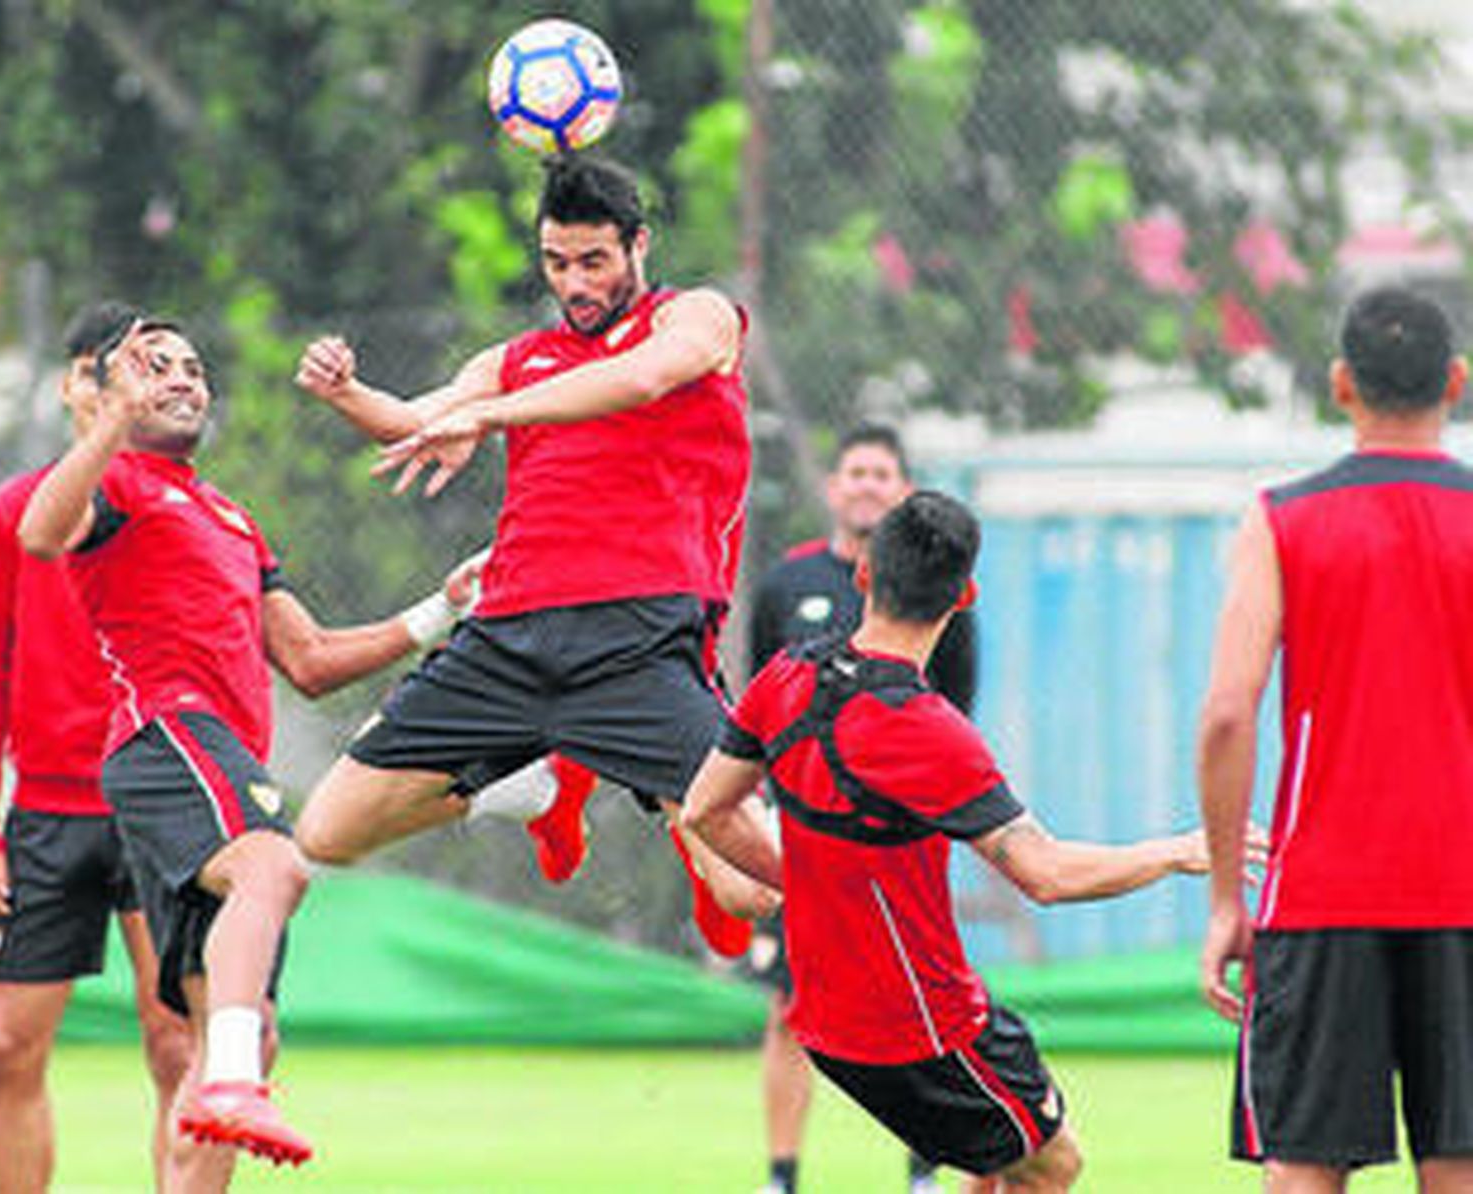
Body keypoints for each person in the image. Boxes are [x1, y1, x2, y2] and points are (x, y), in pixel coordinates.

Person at [17, 314, 481, 1174]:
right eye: (156, 366)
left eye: (193, 366)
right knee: (275, 868)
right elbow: (41, 532)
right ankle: (232, 1081)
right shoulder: (117, 480)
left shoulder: (230, 517)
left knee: (243, 1035)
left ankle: (231, 1076)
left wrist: (440, 610)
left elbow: (308, 660)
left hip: (222, 759)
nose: (183, 378)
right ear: (114, 387)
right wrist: (113, 419)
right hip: (167, 738)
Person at [291, 152, 773, 927]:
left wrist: (491, 415)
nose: (575, 284)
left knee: (748, 889)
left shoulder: (697, 318)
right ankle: (526, 787)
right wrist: (347, 392)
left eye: (594, 262)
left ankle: (874, 907)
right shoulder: (516, 361)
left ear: (638, 246)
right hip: (506, 640)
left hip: (639, 641)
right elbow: (419, 419)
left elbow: (646, 377)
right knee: (328, 829)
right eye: (556, 263)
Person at [684, 491, 1215, 1192]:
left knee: (994, 1160)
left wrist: (805, 884)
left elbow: (704, 809)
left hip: (823, 1019)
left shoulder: (786, 677)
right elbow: (1046, 874)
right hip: (920, 1027)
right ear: (964, 596)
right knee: (1053, 1162)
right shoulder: (926, 732)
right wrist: (1178, 851)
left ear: (865, 574)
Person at [1198, 286, 1473, 1193]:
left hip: (1322, 890)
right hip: (1464, 882)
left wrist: (1228, 899)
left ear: (1341, 384)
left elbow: (1228, 713)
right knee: (1460, 1161)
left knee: (1306, 1162)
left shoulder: (1281, 520)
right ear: (1458, 382)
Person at [0, 301, 192, 1194]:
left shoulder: (178, 510)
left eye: (153, 370)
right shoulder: (17, 515)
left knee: (176, 1043)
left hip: (157, 807)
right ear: (75, 386)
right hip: (47, 816)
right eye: (113, 371)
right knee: (12, 1045)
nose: (133, 389)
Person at [746, 423, 973, 1194]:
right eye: (857, 471)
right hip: (805, 837)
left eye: (884, 473)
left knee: (920, 1003)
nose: (868, 484)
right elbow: (753, 718)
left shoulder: (942, 594)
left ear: (904, 490)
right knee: (788, 1005)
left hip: (901, 844)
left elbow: (954, 713)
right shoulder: (786, 585)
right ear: (835, 487)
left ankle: (923, 1169)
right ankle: (782, 1175)